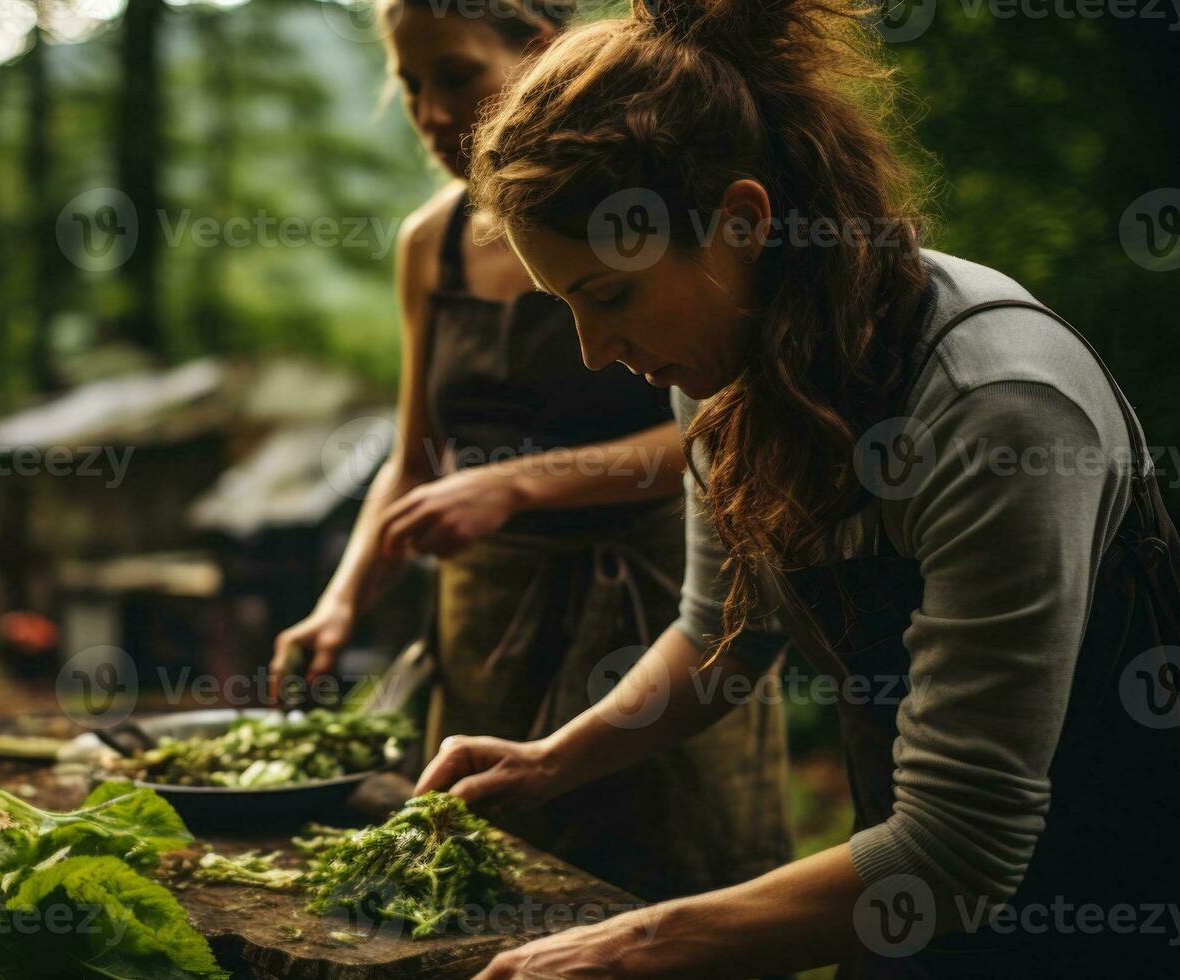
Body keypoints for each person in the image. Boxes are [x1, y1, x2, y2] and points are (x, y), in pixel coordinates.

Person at [421, 1, 1180, 975]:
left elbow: (963, 848)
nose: (596, 350)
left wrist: (637, 942)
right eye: (567, 304)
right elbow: (717, 637)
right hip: (896, 911)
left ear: (742, 220)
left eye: (609, 296)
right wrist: (550, 759)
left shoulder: (997, 407)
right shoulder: (727, 372)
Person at [271, 0, 790, 903]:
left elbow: (730, 426)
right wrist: (341, 600)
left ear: (539, 53)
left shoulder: (648, 225)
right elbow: (414, 455)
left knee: (663, 882)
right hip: (489, 624)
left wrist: (522, 485)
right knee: (488, 878)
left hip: (657, 608)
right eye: (408, 86)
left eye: (458, 76)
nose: (431, 111)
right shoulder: (427, 246)